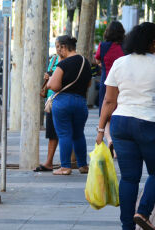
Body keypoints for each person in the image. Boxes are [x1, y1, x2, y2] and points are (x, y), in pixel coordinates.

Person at [95, 22, 155, 230]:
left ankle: (127, 226)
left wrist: (101, 130)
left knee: (129, 177)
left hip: (121, 123)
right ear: (154, 41)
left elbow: (109, 101)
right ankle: (143, 212)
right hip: (151, 124)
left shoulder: (120, 63)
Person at [47, 35, 92, 175]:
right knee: (79, 134)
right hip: (80, 102)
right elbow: (89, 84)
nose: (57, 51)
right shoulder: (86, 62)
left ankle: (65, 167)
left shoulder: (63, 64)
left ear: (64, 47)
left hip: (63, 102)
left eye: (58, 47)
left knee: (64, 134)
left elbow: (52, 85)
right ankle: (83, 165)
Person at [95, 21, 125, 155]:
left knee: (106, 114)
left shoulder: (103, 46)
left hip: (106, 82)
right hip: (123, 83)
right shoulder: (125, 47)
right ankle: (117, 147)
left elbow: (97, 60)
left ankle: (109, 139)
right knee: (119, 112)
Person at [34, 54, 61, 172]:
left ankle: (70, 163)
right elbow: (49, 77)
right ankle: (49, 162)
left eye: (61, 47)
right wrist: (47, 77)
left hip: (62, 97)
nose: (59, 50)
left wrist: (52, 78)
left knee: (67, 134)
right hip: (51, 99)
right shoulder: (54, 59)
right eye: (57, 47)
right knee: (52, 133)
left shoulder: (70, 61)